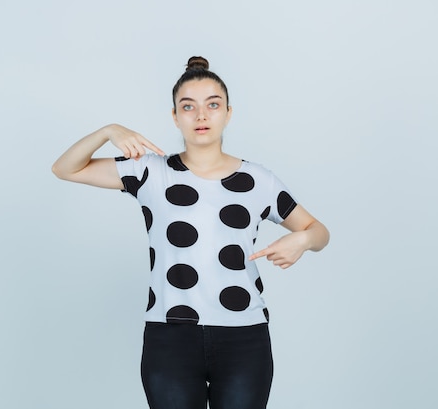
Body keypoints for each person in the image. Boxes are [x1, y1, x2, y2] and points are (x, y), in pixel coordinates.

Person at [51, 56, 329, 409]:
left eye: (212, 105)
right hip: (170, 338)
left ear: (228, 113)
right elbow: (64, 169)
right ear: (175, 116)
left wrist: (303, 240)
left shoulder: (259, 180)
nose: (201, 116)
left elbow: (319, 231)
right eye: (188, 106)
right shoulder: (149, 172)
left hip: (244, 337)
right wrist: (109, 131)